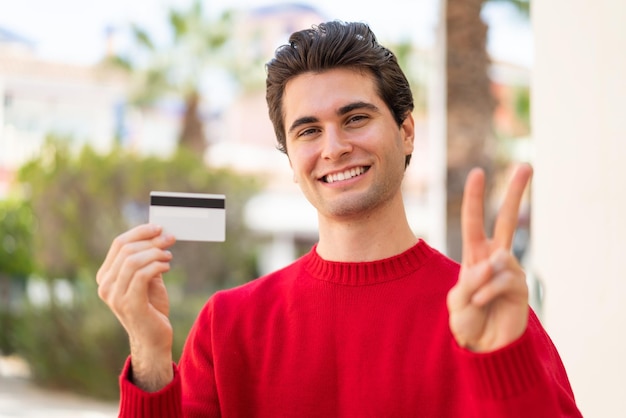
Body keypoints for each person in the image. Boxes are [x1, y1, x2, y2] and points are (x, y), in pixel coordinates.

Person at [96, 21, 582, 417]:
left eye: (355, 118)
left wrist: (503, 362)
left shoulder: (486, 310)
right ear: (291, 158)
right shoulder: (228, 327)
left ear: (406, 131)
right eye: (309, 130)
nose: (334, 147)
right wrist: (150, 357)